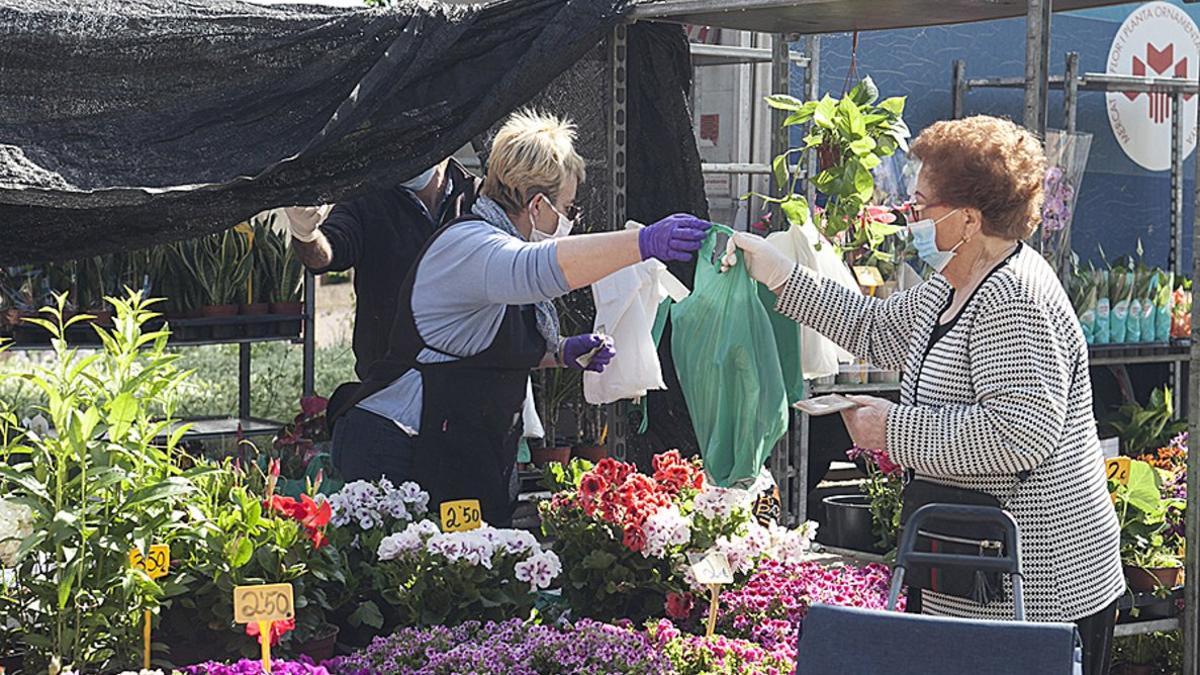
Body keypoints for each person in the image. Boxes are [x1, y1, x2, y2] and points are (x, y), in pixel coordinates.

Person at [728, 115, 1122, 675]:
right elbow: (875, 328)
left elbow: (1019, 436)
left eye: (920, 205)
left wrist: (892, 430)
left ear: (968, 217)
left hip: (1036, 587)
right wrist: (779, 274)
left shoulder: (1015, 297)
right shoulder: (957, 281)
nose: (908, 218)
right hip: (981, 570)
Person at [330, 109, 712, 526]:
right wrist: (643, 242)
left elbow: (476, 349)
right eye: (566, 208)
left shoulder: (496, 245)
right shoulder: (472, 245)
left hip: (459, 448)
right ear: (536, 205)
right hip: (402, 450)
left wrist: (561, 353)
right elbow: (536, 270)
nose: (568, 220)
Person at [285, 157, 480, 380]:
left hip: (467, 380)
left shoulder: (477, 195)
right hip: (389, 382)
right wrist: (306, 233)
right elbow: (329, 254)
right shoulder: (367, 197)